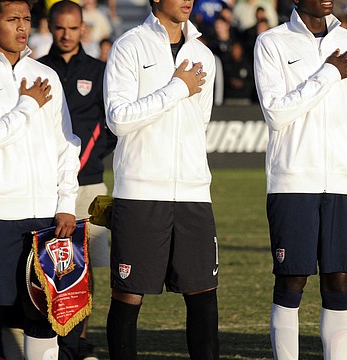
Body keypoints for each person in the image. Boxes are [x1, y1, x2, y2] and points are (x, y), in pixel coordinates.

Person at [0, 0, 80, 359]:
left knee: (43, 313)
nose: (22, 27)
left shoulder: (47, 76)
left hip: (44, 219)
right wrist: (26, 105)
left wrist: (66, 204)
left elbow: (65, 145)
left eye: (26, 19)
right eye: (12, 19)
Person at [103, 0, 219, 358]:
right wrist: (177, 88)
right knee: (128, 295)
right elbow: (118, 119)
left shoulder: (203, 54)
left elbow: (199, 122)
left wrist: (179, 91)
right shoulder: (129, 46)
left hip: (194, 193)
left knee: (203, 294)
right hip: (140, 191)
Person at [253, 0, 347, 356]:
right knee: (292, 279)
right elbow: (276, 112)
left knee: (339, 280)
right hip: (293, 181)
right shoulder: (272, 42)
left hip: (343, 182)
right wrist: (328, 72)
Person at [38, 1, 116, 359]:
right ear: (50, 27)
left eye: (73, 28)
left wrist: (93, 157)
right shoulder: (37, 70)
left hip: (90, 183)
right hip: (45, 185)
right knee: (46, 262)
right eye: (60, 28)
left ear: (83, 29)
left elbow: (112, 125)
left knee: (85, 265)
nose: (67, 35)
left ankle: (78, 336)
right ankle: (47, 333)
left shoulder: (101, 71)